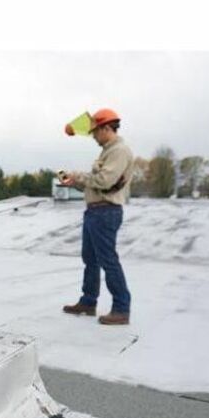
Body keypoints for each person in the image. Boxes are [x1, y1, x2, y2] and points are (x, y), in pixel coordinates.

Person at [61, 108, 135, 325]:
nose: (93, 136)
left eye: (95, 132)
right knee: (91, 260)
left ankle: (121, 308)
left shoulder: (119, 151)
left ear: (106, 128)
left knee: (108, 260)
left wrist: (77, 176)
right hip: (95, 211)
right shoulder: (108, 151)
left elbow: (104, 181)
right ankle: (88, 302)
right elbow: (97, 183)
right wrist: (76, 182)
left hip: (106, 212)